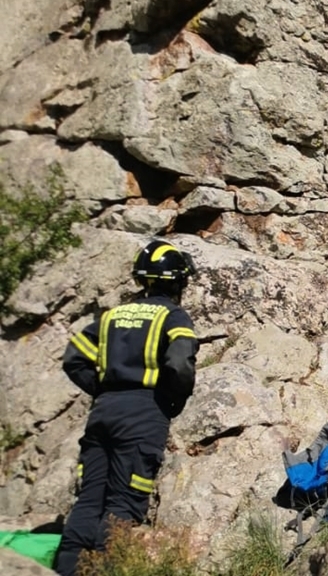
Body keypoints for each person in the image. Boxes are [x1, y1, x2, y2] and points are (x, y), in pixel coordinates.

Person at [54, 240, 199, 576]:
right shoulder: (173, 315)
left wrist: (103, 390)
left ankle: (67, 568)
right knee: (124, 501)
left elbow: (73, 358)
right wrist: (173, 400)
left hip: (103, 411)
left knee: (90, 499)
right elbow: (179, 364)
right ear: (177, 282)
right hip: (144, 413)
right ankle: (105, 569)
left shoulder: (112, 315)